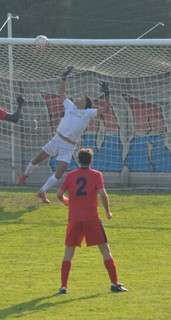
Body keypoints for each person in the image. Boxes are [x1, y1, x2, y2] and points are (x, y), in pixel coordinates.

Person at [16, 67, 111, 203]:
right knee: (37, 159)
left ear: (85, 103)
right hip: (57, 139)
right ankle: (25, 175)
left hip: (69, 146)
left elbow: (106, 109)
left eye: (81, 98)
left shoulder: (88, 113)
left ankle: (42, 192)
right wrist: (63, 77)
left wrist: (107, 94)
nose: (78, 98)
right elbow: (61, 92)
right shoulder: (70, 106)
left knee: (59, 173)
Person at [56, 148, 128, 294]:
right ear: (91, 161)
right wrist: (108, 212)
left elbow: (58, 194)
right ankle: (114, 284)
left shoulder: (71, 175)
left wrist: (66, 201)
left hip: (74, 219)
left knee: (68, 252)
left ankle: (63, 286)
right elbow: (103, 194)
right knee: (105, 250)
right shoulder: (96, 175)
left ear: (78, 160)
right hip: (91, 219)